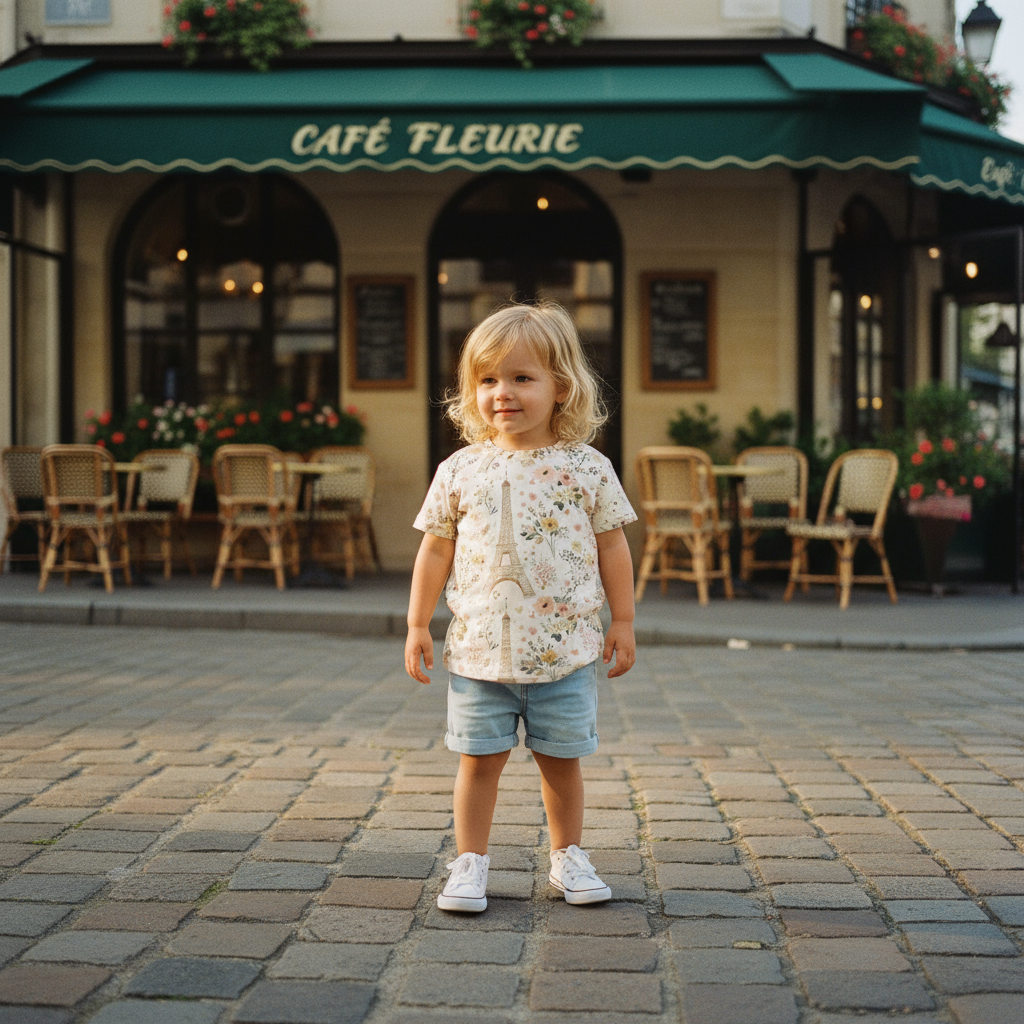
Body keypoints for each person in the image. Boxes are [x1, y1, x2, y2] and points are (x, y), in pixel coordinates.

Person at [405, 301, 637, 913]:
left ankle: (567, 858)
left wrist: (625, 620)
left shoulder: (587, 468)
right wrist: (416, 623)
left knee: (562, 764)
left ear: (561, 388)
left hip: (564, 651)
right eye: (487, 380)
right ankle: (470, 863)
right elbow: (435, 549)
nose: (501, 392)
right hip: (480, 653)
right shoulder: (459, 469)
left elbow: (613, 545)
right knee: (477, 764)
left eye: (521, 378)